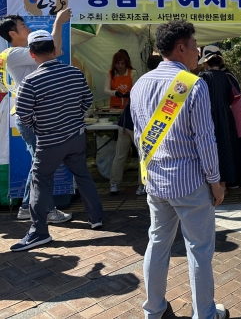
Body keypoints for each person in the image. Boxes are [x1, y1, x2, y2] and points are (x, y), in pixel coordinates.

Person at [129, 20, 227, 319]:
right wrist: (215, 181)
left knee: (158, 243)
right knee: (199, 249)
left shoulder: (140, 84)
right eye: (195, 46)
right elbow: (205, 140)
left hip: (155, 180)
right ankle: (205, 314)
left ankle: (154, 310)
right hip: (189, 182)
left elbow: (139, 136)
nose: (198, 52)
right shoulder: (193, 84)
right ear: (181, 48)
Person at [10, 30, 104, 251]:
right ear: (54, 50)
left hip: (49, 141)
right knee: (83, 175)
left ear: (32, 54)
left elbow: (23, 114)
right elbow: (87, 100)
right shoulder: (75, 73)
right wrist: (73, 120)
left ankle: (39, 232)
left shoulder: (31, 80)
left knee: (40, 181)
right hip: (76, 136)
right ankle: (96, 218)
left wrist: (41, 127)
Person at [0, 11, 72, 223]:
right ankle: (47, 211)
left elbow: (54, 50)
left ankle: (26, 207)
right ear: (12, 33)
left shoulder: (19, 52)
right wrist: (58, 22)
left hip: (33, 116)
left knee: (39, 164)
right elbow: (55, 49)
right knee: (42, 166)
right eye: (22, 25)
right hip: (31, 116)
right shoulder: (14, 53)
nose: (27, 26)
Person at [109, 55, 163, 195]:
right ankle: (142, 186)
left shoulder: (141, 80)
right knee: (143, 157)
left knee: (120, 156)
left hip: (125, 122)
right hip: (139, 125)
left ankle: (114, 184)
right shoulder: (158, 81)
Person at [200, 46, 240, 188]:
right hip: (226, 116)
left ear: (206, 62)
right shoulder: (226, 76)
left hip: (208, 117)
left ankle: (213, 185)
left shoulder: (203, 78)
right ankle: (224, 184)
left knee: (210, 149)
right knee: (225, 147)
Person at [222, 63, 241, 189]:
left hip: (232, 115)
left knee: (232, 149)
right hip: (240, 114)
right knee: (240, 148)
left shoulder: (222, 77)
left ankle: (234, 180)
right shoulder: (231, 75)